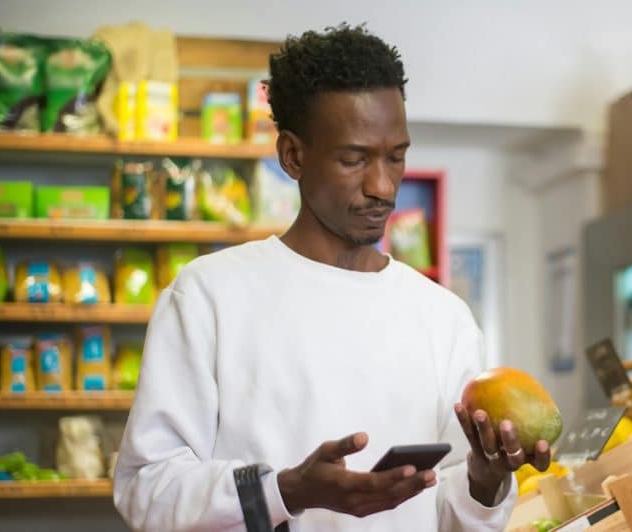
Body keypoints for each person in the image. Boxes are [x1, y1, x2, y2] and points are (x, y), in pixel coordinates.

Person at [113, 24, 551, 531]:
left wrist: (485, 477)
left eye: (396, 156)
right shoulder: (208, 297)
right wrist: (287, 490)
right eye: (354, 159)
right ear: (293, 156)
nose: (383, 186)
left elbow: (454, 514)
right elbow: (147, 487)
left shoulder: (442, 316)